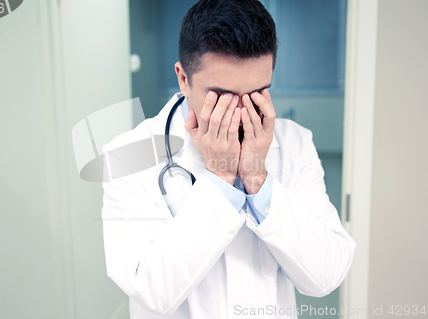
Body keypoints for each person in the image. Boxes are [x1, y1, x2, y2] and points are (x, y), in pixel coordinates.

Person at [101, 0, 356, 318]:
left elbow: (326, 276)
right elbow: (149, 291)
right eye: (221, 96)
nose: (239, 114)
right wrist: (219, 177)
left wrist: (257, 179)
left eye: (256, 94)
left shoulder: (295, 144)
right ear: (183, 79)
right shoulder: (128, 155)